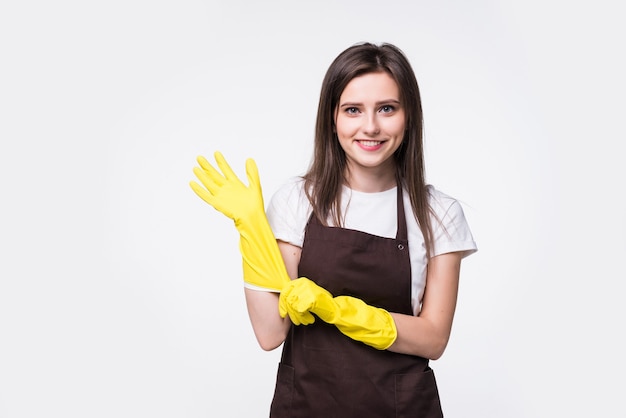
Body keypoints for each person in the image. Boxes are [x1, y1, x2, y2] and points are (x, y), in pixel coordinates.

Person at [191, 42, 477, 417]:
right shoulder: (298, 200)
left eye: (387, 109)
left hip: (401, 408)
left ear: (409, 116)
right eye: (353, 110)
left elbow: (435, 338)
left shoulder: (437, 212)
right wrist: (251, 229)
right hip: (308, 405)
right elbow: (270, 334)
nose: (370, 126)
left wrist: (342, 312)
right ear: (333, 118)